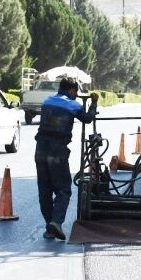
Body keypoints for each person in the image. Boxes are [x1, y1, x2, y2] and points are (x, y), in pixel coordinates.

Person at [34, 77, 98, 240]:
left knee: (45, 189)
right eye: (76, 92)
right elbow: (88, 119)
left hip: (40, 149)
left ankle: (50, 227)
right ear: (71, 90)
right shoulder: (73, 104)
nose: (76, 95)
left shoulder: (47, 101)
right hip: (57, 150)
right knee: (63, 189)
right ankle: (56, 222)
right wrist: (94, 103)